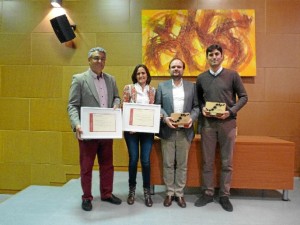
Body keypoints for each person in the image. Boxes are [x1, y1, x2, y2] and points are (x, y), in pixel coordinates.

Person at [67, 47, 122, 211]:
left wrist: (117, 104)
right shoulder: (79, 79)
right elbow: (72, 105)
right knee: (86, 167)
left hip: (106, 132)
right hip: (87, 133)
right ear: (89, 60)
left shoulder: (111, 80)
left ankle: (106, 193)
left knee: (107, 165)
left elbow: (117, 97)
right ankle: (86, 197)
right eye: (97, 58)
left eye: (103, 59)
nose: (100, 61)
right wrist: (76, 124)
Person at [194, 44, 248, 212]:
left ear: (222, 56)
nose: (214, 57)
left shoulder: (233, 75)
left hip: (228, 124)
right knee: (207, 161)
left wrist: (230, 112)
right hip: (208, 125)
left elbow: (244, 97)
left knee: (227, 162)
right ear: (207, 57)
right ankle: (208, 193)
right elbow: (198, 100)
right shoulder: (201, 78)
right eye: (210, 54)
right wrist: (202, 108)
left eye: (217, 54)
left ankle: (224, 195)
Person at [155, 58, 199, 208]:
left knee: (182, 164)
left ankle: (179, 193)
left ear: (183, 69)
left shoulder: (191, 87)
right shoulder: (162, 86)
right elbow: (157, 106)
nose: (176, 69)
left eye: (179, 67)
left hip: (185, 132)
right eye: (173, 66)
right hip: (167, 130)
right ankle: (169, 193)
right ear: (169, 69)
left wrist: (191, 119)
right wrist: (165, 118)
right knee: (167, 163)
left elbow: (196, 107)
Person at [122, 64, 156, 207]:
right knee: (133, 159)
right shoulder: (129, 88)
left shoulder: (153, 90)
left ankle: (147, 192)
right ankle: (132, 191)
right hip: (132, 132)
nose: (141, 76)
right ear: (135, 76)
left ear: (147, 75)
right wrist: (130, 125)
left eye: (143, 73)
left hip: (147, 131)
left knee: (146, 161)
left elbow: (154, 109)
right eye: (138, 74)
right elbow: (125, 107)